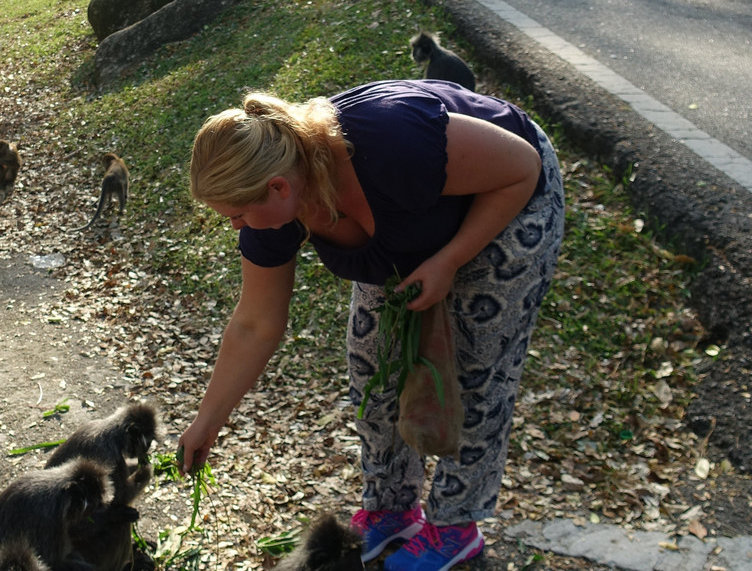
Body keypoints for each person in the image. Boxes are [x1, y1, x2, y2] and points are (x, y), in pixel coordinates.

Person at [178, 79, 564, 571]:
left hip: (507, 199)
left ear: (278, 187)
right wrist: (206, 423)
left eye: (236, 214)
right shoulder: (276, 213)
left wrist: (448, 261)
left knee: (472, 370)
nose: (235, 227)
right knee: (373, 366)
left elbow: (520, 169)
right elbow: (256, 323)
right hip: (407, 231)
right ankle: (391, 508)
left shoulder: (389, 141)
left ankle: (454, 526)